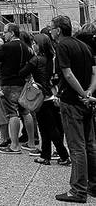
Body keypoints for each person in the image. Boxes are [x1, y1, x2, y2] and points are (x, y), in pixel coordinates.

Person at [50, 16, 96, 203]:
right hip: (85, 100)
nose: (51, 31)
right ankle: (93, 185)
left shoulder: (62, 46)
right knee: (90, 146)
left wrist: (83, 94)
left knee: (77, 147)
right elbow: (94, 72)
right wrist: (89, 92)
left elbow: (67, 74)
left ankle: (78, 190)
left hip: (72, 101)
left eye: (51, 28)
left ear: (58, 30)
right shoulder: (83, 46)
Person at [26, 33, 70, 166]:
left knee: (49, 128)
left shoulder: (36, 59)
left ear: (40, 45)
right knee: (47, 127)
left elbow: (22, 72)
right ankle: (45, 155)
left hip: (41, 97)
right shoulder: (52, 58)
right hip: (51, 95)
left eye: (35, 43)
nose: (33, 45)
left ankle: (63, 155)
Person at [0, 23, 37, 153]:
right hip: (22, 82)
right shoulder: (26, 46)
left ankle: (15, 145)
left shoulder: (6, 47)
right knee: (25, 112)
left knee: (12, 113)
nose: (3, 34)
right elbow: (33, 61)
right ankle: (31, 142)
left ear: (12, 33)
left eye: (5, 32)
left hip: (9, 82)